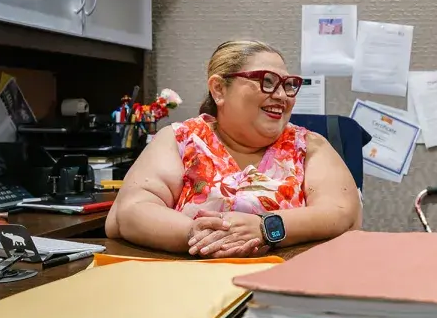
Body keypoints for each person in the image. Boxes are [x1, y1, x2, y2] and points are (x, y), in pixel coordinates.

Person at [105, 39, 362, 256]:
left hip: (286, 286)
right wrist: (196, 235)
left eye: (288, 85)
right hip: (190, 281)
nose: (282, 96)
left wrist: (267, 228)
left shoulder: (308, 146)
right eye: (267, 81)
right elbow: (128, 213)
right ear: (219, 89)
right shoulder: (181, 140)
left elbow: (341, 213)